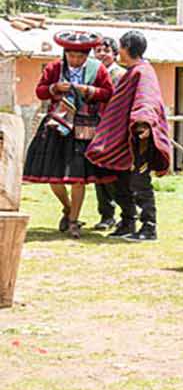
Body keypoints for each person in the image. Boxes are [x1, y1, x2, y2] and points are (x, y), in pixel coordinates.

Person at [22, 30, 116, 238]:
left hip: (84, 128)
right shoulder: (54, 68)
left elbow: (108, 93)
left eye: (80, 56)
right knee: (54, 177)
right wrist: (55, 87)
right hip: (57, 125)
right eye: (71, 55)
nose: (75, 60)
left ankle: (74, 221)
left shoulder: (97, 69)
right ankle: (67, 207)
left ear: (87, 55)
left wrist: (88, 91)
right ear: (65, 53)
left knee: (78, 178)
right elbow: (40, 91)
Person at [86, 29, 171, 241]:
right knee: (119, 178)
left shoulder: (143, 72)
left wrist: (142, 122)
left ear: (127, 49)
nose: (119, 51)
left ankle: (149, 227)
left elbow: (146, 98)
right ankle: (127, 221)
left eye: (120, 47)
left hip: (139, 136)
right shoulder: (132, 71)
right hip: (123, 137)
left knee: (140, 181)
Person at [90, 36, 127, 231]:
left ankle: (127, 214)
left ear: (115, 54)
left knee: (116, 174)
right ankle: (106, 215)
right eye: (98, 51)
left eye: (106, 50)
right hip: (95, 129)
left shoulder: (121, 75)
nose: (102, 54)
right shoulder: (91, 74)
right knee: (98, 174)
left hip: (115, 131)